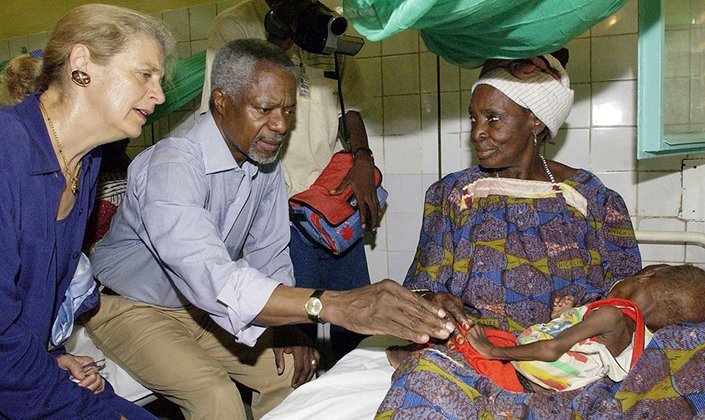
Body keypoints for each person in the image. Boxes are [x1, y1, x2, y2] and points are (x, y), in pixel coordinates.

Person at [85, 39, 454, 420]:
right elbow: (212, 277)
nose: (279, 126)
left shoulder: (264, 166)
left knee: (289, 375)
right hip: (127, 306)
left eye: (288, 111)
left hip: (196, 307)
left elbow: (271, 255)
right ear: (221, 101)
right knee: (216, 396)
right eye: (264, 109)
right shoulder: (172, 165)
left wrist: (290, 331)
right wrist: (331, 304)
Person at [377, 52, 642, 415]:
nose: (476, 133)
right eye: (473, 118)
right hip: (469, 355)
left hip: (568, 366)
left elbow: (627, 299)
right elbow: (421, 287)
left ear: (534, 121)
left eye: (493, 119)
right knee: (421, 386)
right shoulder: (454, 195)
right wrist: (435, 301)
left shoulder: (592, 199)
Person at [0, 4, 174, 418]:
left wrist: (52, 355)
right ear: (82, 65)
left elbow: (32, 300)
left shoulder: (85, 163)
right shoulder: (8, 148)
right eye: (144, 74)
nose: (160, 95)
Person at [200, 0, 380, 366]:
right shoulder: (235, 25)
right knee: (302, 327)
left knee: (358, 320)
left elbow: (351, 107)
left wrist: (362, 157)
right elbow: (222, 111)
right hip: (278, 207)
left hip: (331, 204)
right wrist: (279, 33)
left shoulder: (328, 22)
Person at [387, 265, 705, 393]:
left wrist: (494, 352)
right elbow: (579, 344)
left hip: (521, 375)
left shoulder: (612, 315)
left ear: (648, 273)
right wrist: (561, 314)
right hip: (528, 360)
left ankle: (418, 360)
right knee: (483, 329)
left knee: (469, 345)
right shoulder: (636, 334)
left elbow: (551, 350)